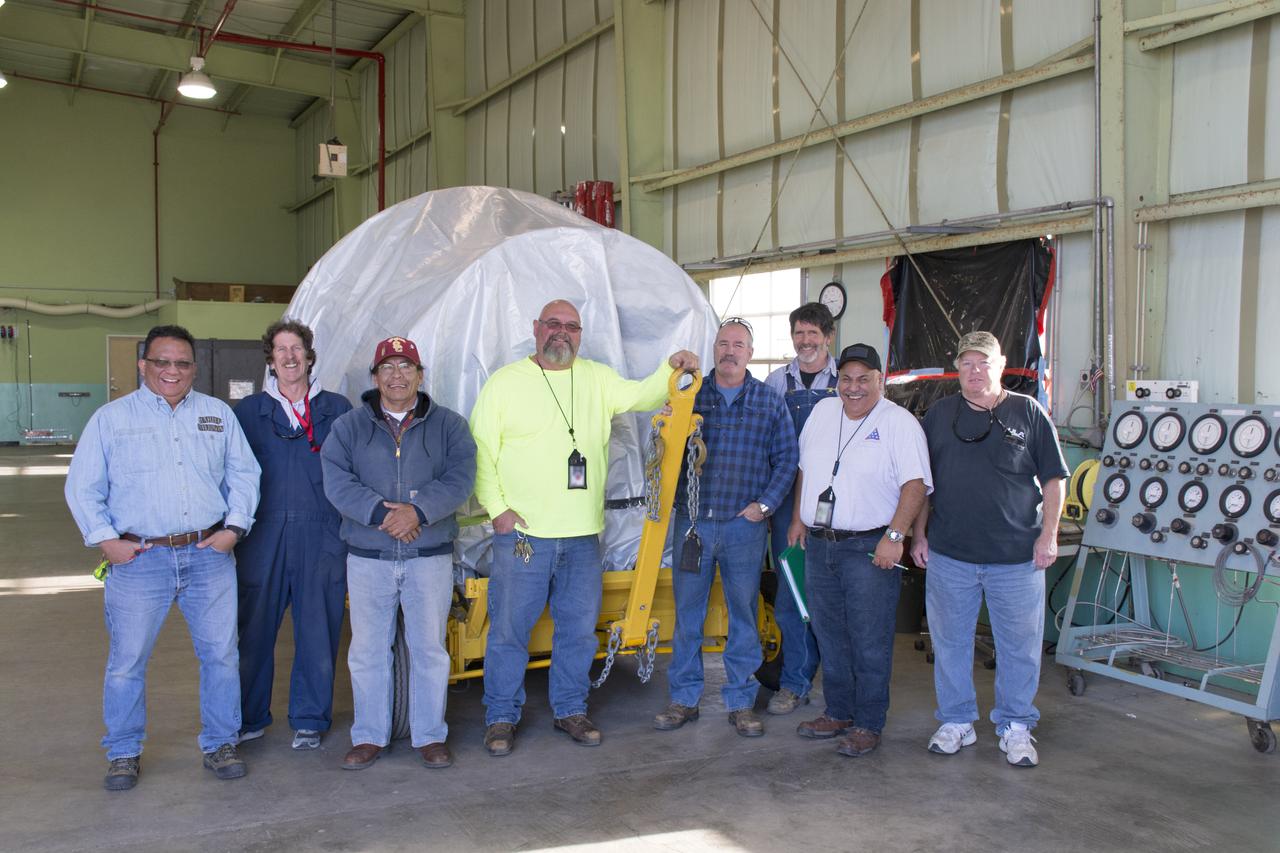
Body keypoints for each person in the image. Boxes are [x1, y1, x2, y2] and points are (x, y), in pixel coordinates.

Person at [470, 299, 700, 756]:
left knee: (576, 632)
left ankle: (570, 709)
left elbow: (643, 395)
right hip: (523, 537)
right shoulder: (505, 384)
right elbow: (481, 451)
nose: (562, 333)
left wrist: (671, 370)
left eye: (571, 326)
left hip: (580, 538)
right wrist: (498, 510)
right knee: (509, 632)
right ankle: (500, 717)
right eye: (553, 324)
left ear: (580, 334)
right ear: (535, 329)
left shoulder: (596, 378)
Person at [65, 324, 261, 791]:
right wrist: (105, 540)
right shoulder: (111, 419)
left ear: (194, 368)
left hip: (207, 554)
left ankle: (220, 742)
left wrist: (235, 527)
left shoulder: (216, 415)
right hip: (139, 560)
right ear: (143, 365)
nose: (172, 371)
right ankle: (124, 752)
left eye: (181, 363)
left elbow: (244, 474)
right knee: (128, 660)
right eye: (162, 362)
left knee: (220, 655)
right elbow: (83, 486)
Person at [911, 331, 1068, 768]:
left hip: (1016, 558)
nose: (975, 371)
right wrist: (919, 536)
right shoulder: (939, 415)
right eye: (967, 363)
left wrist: (1048, 535)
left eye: (984, 363)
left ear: (1000, 366)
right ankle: (957, 721)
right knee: (950, 643)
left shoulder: (1028, 412)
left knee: (1019, 645)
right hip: (950, 555)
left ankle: (1016, 726)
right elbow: (923, 485)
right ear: (956, 368)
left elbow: (1055, 480)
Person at [321, 336, 476, 771]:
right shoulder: (349, 427)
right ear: (375, 378)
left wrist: (419, 512)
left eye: (406, 366)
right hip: (369, 556)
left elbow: (460, 476)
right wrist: (380, 514)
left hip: (428, 555)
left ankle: (429, 736)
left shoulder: (449, 426)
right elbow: (336, 478)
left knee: (429, 648)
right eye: (387, 367)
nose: (397, 375)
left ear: (420, 375)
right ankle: (370, 735)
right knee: (368, 650)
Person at [654, 318, 797, 738]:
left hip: (743, 529)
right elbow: (664, 453)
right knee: (688, 617)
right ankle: (684, 699)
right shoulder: (690, 396)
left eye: (738, 344)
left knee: (744, 617)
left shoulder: (769, 401)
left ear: (750, 353)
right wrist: (666, 424)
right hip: (693, 525)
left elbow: (787, 459)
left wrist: (764, 505)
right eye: (723, 343)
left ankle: (740, 701)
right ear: (713, 349)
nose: (730, 351)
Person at [786, 343, 931, 756]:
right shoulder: (822, 413)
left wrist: (896, 537)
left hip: (869, 546)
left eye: (863, 379)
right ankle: (839, 711)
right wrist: (798, 518)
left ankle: (868, 722)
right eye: (846, 379)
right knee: (829, 634)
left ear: (879, 381)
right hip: (819, 545)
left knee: (869, 639)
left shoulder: (899, 423)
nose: (853, 388)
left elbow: (916, 485)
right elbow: (804, 470)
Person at [232, 320, 352, 751]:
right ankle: (248, 716)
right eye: (280, 349)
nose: (289, 356)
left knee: (318, 628)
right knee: (254, 630)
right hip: (262, 536)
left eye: (296, 348)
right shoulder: (247, 414)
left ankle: (309, 716)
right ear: (270, 358)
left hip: (322, 534)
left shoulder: (337, 409)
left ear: (309, 355)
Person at [762, 302, 838, 715]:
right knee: (792, 593)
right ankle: (795, 682)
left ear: (828, 336)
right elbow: (767, 442)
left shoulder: (848, 379)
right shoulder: (777, 381)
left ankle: (845, 685)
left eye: (813, 334)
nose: (805, 342)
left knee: (834, 594)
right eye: (799, 334)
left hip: (840, 501)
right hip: (789, 497)